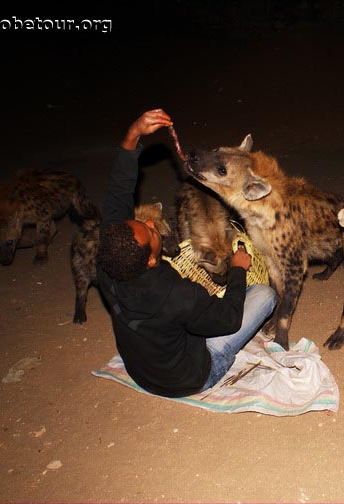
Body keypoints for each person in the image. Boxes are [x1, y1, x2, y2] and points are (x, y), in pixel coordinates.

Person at [96, 109, 276, 398]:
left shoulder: (106, 262)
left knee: (185, 320)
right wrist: (239, 269)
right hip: (192, 376)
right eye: (152, 232)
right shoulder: (174, 293)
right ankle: (213, 365)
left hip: (141, 368)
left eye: (142, 223)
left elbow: (118, 192)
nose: (151, 223)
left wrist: (133, 134)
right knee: (265, 296)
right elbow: (229, 318)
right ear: (152, 260)